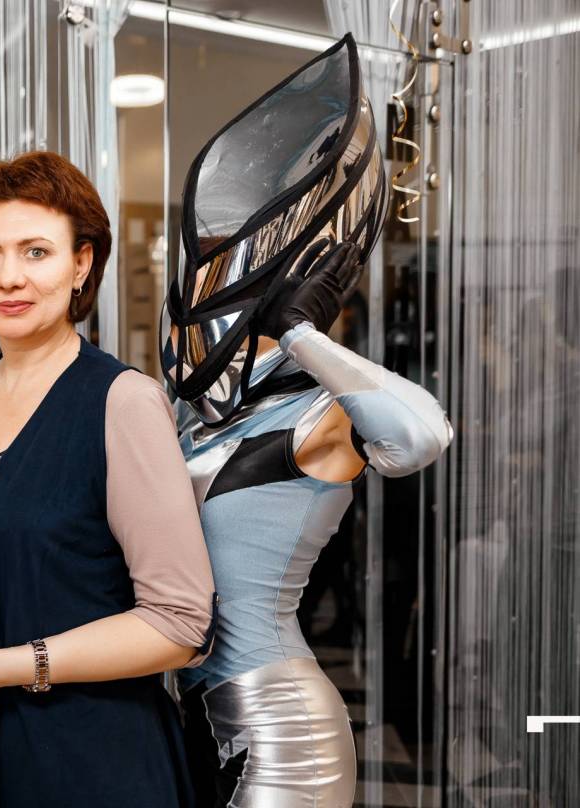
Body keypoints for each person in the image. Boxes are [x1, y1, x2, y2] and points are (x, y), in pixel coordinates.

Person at [0, 150, 217, 808]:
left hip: (76, 762)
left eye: (36, 252)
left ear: (81, 264)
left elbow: (180, 623)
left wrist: (8, 667)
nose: (9, 277)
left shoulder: (121, 403)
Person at [161, 34, 453, 807]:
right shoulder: (196, 413)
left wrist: (301, 335)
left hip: (278, 724)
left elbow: (422, 435)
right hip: (188, 718)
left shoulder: (320, 415)